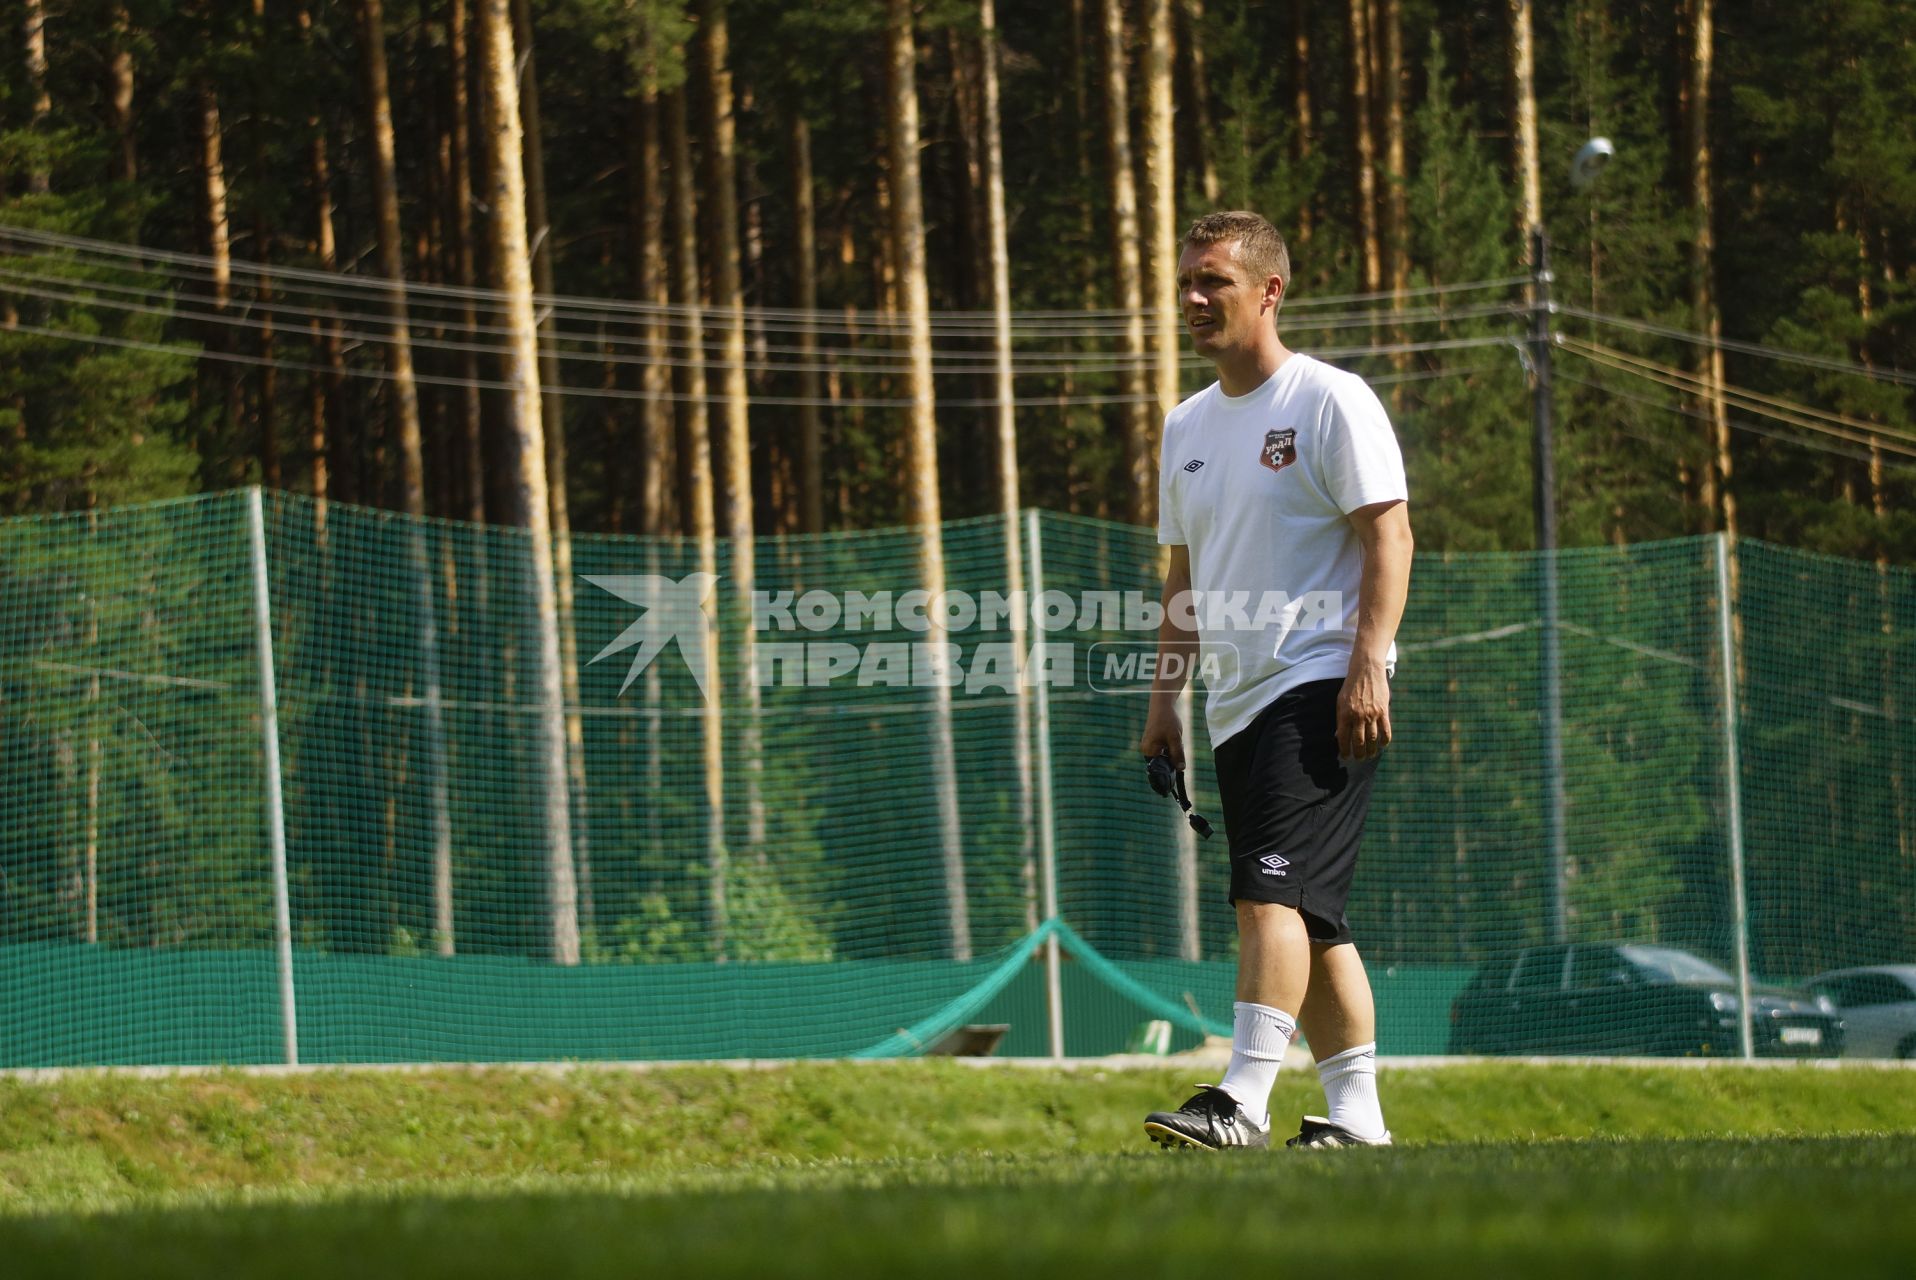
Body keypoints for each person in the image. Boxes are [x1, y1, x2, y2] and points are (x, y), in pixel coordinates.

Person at [1139, 211, 1413, 1151]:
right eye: (1185, 282)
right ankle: (1359, 1123)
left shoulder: (1330, 400)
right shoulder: (1185, 426)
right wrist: (1164, 699)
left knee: (1268, 896)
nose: (1192, 299)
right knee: (1310, 916)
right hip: (1235, 700)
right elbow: (1183, 577)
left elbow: (1390, 533)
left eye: (1211, 280)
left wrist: (1368, 666)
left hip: (1322, 684)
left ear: (1269, 291)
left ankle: (1243, 1097)